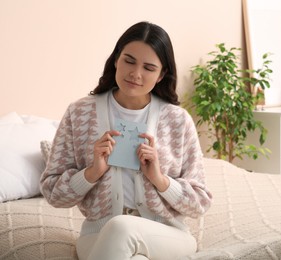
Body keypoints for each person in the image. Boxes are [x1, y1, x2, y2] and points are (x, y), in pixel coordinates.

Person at [40, 21, 212, 260]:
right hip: (97, 236)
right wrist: (91, 172)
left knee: (122, 227)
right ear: (116, 59)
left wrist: (160, 180)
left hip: (167, 234)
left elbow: (200, 203)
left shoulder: (177, 120)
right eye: (129, 61)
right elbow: (53, 194)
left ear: (162, 74)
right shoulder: (79, 113)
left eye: (149, 67)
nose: (136, 74)